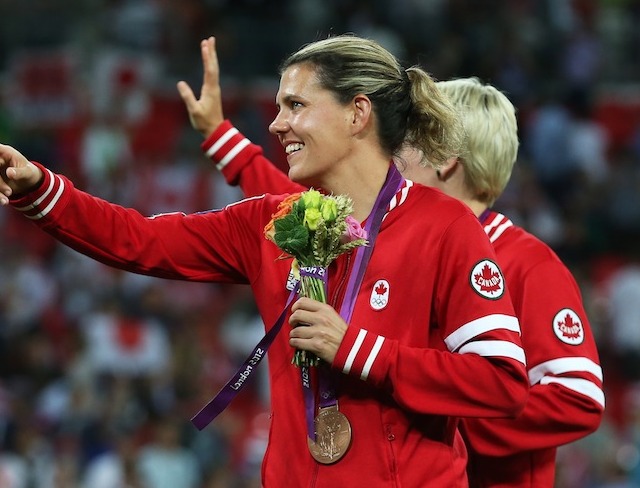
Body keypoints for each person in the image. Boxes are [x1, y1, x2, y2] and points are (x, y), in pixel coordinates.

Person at [0, 34, 529, 487]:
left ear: (358, 113)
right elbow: (140, 239)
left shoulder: (446, 229)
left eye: (296, 105)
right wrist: (39, 188)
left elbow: (502, 384)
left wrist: (358, 351)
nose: (276, 123)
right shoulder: (270, 221)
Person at [179, 37, 604, 487]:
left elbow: (578, 398)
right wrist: (220, 137)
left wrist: (440, 410)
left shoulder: (527, 264)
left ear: (445, 162)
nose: (390, 152)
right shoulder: (394, 230)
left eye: (408, 141)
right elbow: (295, 206)